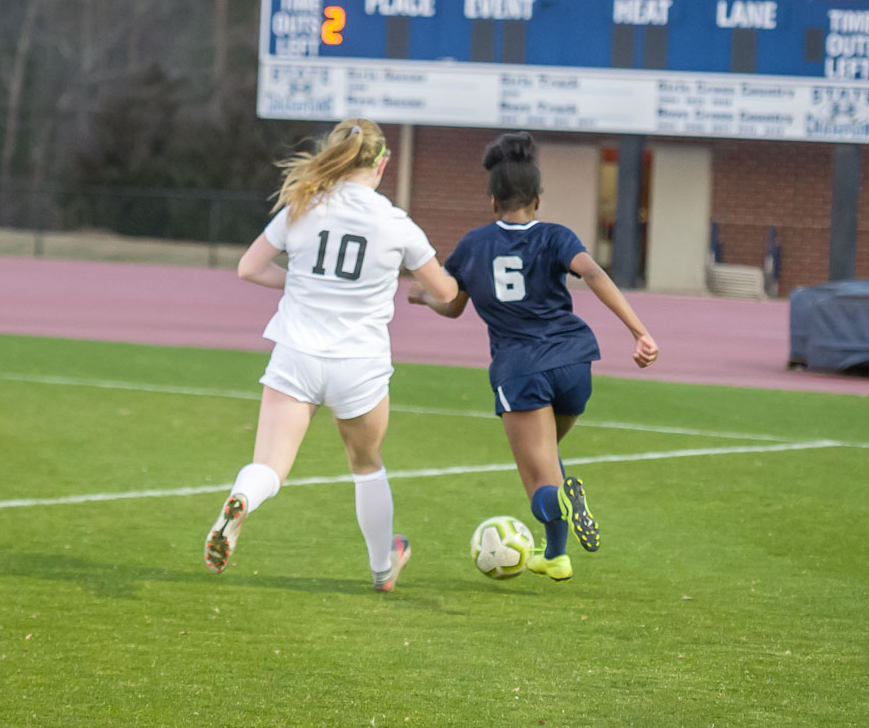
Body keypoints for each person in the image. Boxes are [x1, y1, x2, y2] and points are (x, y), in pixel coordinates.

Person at [204, 118, 459, 592]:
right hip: (358, 364)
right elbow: (444, 290)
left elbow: (249, 268)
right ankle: (383, 568)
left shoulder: (302, 206)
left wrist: (304, 284)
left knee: (270, 466)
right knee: (366, 465)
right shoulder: (394, 222)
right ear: (383, 163)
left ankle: (242, 496)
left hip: (296, 353)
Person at [409, 131, 658, 583]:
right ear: (537, 198)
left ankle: (558, 500)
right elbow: (595, 273)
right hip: (574, 363)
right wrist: (639, 332)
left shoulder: (473, 245)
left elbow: (451, 304)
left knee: (538, 479)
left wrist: (421, 299)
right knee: (547, 455)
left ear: (492, 200)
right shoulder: (556, 237)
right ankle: (556, 556)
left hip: (521, 370)